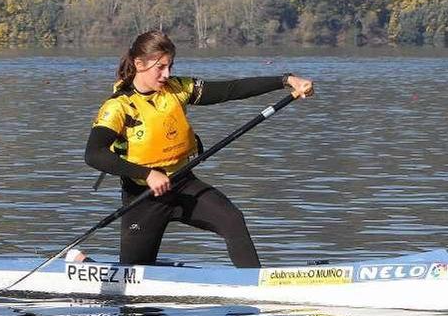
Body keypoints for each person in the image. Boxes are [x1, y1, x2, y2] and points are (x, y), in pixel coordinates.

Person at [84, 30, 313, 268]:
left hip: (183, 184)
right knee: (134, 275)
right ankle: (84, 263)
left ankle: (255, 284)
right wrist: (148, 174)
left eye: (170, 66)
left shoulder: (179, 88)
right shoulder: (118, 107)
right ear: (138, 64)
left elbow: (231, 89)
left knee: (232, 219)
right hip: (143, 197)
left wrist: (286, 81)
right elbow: (94, 154)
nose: (167, 74)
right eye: (160, 67)